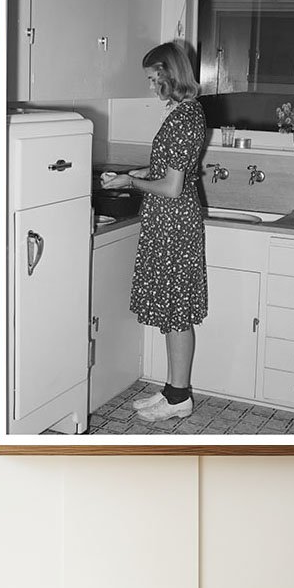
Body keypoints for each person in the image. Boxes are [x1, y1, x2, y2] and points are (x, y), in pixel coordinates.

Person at [101, 41, 208, 423]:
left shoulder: (184, 118)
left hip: (173, 223)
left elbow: (172, 187)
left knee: (176, 311)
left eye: (153, 79)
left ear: (169, 75)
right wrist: (133, 175)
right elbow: (165, 169)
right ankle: (172, 389)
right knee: (171, 309)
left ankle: (179, 397)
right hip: (170, 222)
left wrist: (132, 182)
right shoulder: (184, 112)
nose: (150, 86)